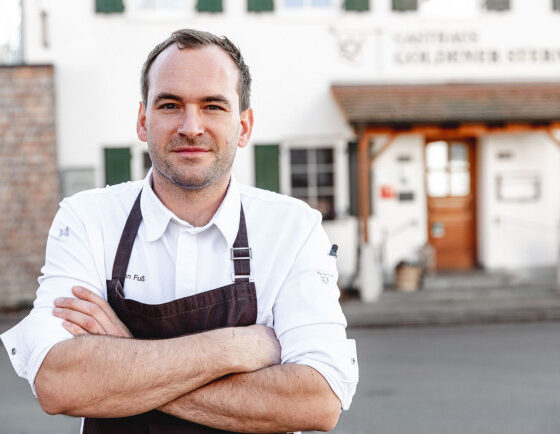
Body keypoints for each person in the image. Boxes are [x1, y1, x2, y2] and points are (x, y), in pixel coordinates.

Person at [1, 29, 358, 433]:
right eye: (170, 104)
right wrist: (235, 349)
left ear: (243, 127)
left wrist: (123, 359)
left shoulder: (292, 229)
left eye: (213, 106)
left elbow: (317, 401)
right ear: (142, 120)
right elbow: (59, 382)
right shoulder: (87, 219)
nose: (191, 126)